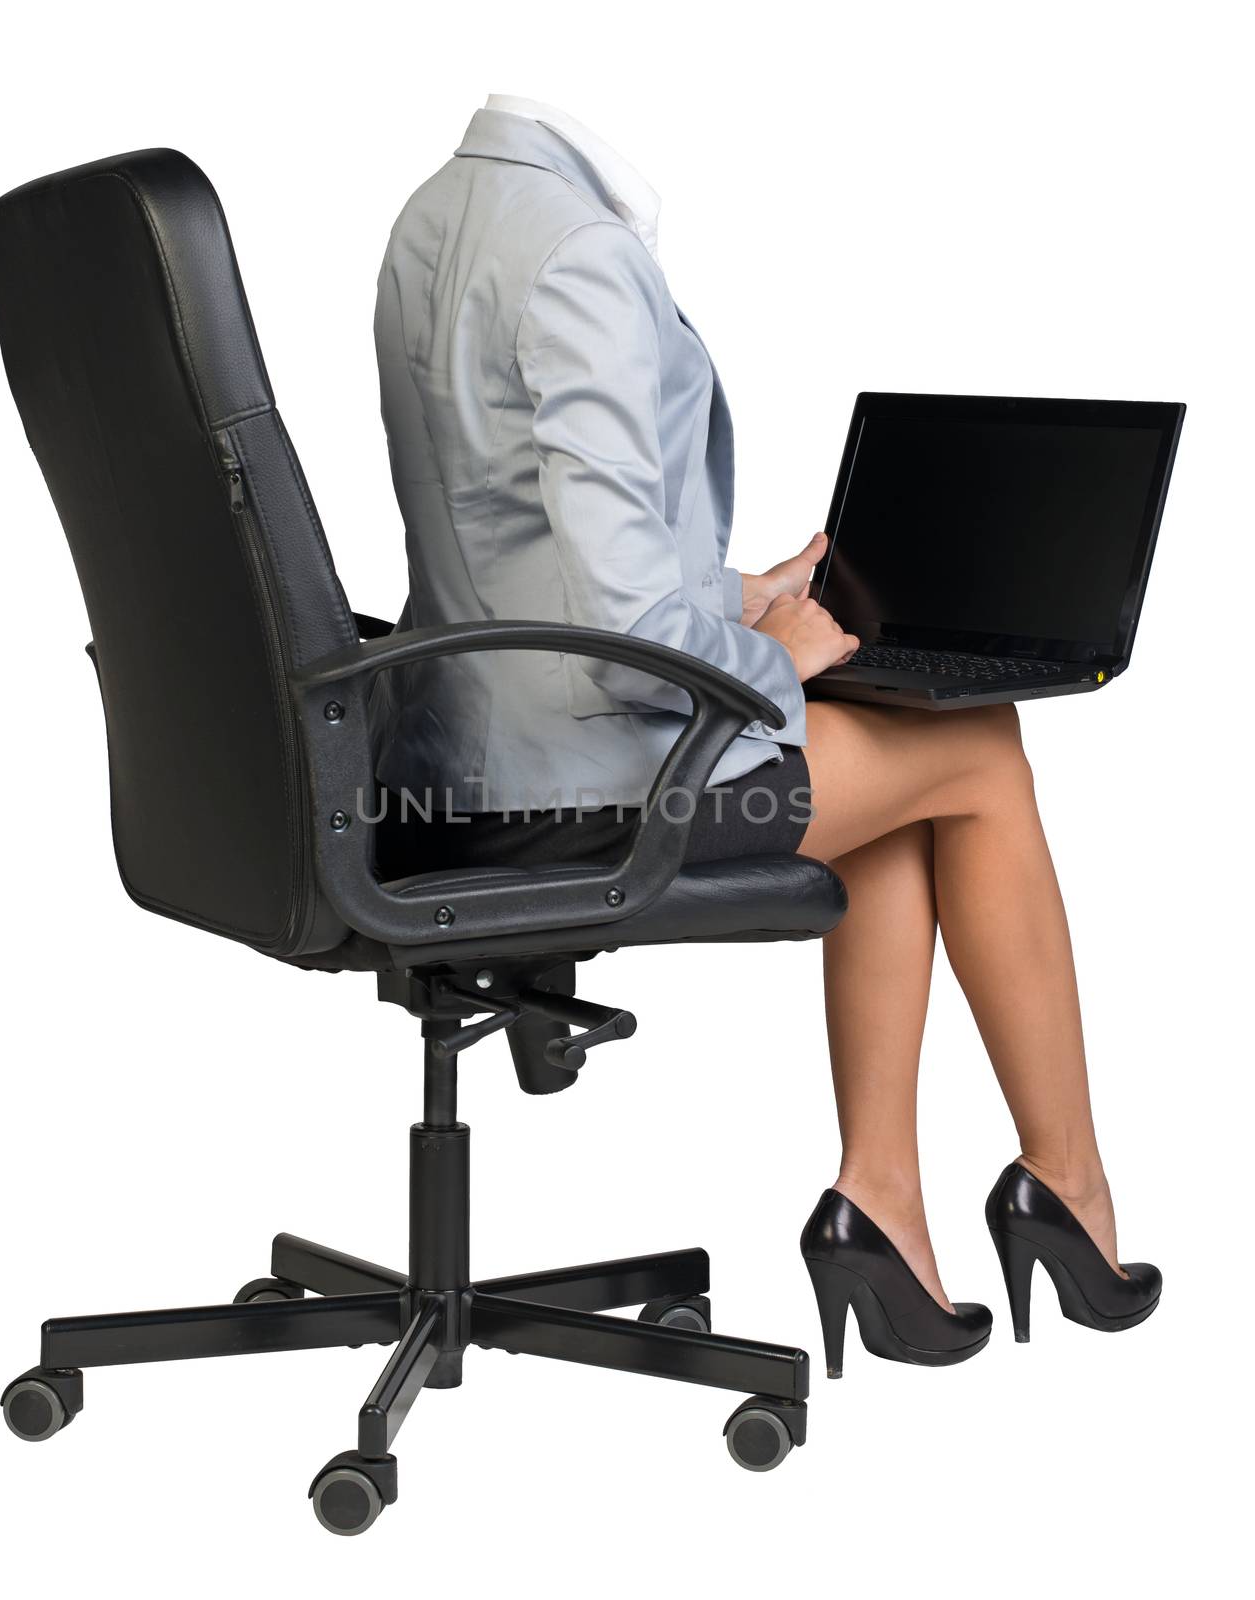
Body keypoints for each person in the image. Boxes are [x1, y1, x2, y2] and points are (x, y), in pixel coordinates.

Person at [371, 98, 1160, 1373]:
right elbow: (620, 622)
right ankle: (1065, 1181)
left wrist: (745, 594)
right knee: (979, 754)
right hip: (583, 786)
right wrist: (774, 657)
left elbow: (510, 541)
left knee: (904, 794)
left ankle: (884, 1202)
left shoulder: (438, 212)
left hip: (460, 749)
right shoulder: (580, 252)